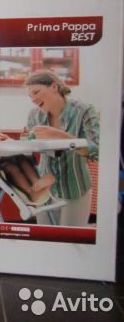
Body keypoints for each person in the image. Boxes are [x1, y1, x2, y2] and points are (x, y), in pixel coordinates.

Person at [25, 69, 100, 227]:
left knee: (71, 239)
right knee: (45, 238)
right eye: (30, 96)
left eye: (36, 92)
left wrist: (62, 137)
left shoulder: (84, 110)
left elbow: (97, 150)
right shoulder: (34, 115)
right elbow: (31, 144)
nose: (33, 99)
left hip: (75, 188)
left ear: (54, 87)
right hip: (45, 190)